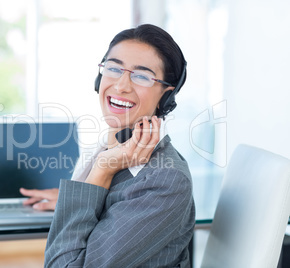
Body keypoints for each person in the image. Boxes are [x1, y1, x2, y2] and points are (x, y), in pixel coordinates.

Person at [20, 24, 195, 267]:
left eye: (141, 76)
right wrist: (75, 198)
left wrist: (101, 170)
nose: (122, 85)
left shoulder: (164, 180)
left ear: (166, 95)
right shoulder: (114, 146)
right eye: (114, 68)